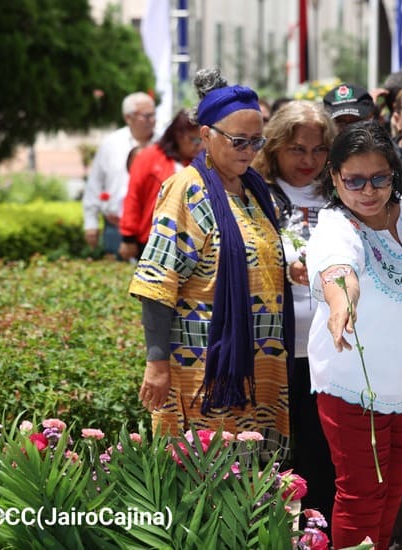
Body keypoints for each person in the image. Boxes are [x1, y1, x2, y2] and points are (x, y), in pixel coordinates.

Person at [305, 120, 402, 549]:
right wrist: (341, 304)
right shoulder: (335, 226)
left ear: (394, 174)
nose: (367, 191)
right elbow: (338, 269)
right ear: (335, 177)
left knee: (397, 487)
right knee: (361, 495)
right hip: (355, 387)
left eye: (379, 178)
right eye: (354, 180)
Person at [129, 68, 295, 455]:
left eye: (256, 141)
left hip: (260, 369)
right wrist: (156, 363)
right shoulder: (187, 190)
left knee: (253, 483)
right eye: (238, 141)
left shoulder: (254, 189)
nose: (248, 151)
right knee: (207, 478)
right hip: (205, 372)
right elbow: (157, 283)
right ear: (206, 135)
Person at [251, 99, 338, 535]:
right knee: (273, 464)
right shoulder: (254, 194)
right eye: (297, 149)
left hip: (329, 353)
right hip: (272, 354)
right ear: (275, 147)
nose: (309, 160)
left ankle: (321, 538)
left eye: (319, 150)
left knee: (323, 463)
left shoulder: (341, 193)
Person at [118, 110, 202, 261]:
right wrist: (128, 237)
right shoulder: (149, 157)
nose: (200, 146)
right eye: (194, 140)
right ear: (178, 135)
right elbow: (133, 198)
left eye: (203, 140)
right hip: (152, 242)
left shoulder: (203, 162)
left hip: (192, 246)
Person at [83, 92, 157, 256]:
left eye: (153, 115)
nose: (152, 120)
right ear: (128, 117)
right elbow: (95, 183)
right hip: (115, 227)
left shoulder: (164, 144)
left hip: (154, 230)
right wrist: (91, 223)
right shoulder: (111, 144)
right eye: (146, 116)